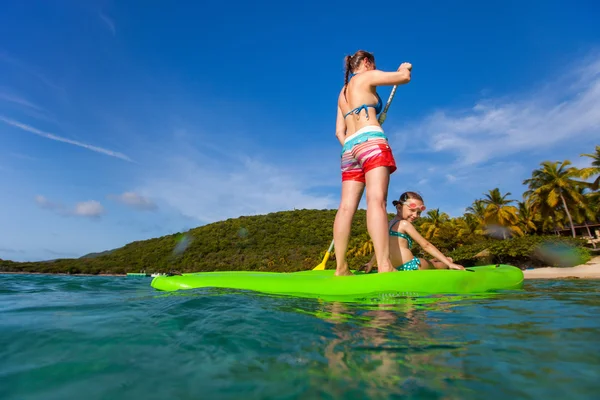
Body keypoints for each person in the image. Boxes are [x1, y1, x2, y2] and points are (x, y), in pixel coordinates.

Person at [333, 50, 412, 276]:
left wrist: (354, 145)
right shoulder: (366, 76)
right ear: (367, 62)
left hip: (349, 148)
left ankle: (341, 268)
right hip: (371, 140)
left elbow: (339, 131)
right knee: (377, 202)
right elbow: (403, 78)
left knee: (346, 208)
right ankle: (385, 265)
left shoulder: (343, 92)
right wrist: (405, 67)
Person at [361, 191, 465, 272]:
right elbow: (425, 245)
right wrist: (449, 264)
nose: (415, 215)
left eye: (419, 212)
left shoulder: (387, 225)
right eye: (412, 210)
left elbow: (382, 248)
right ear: (399, 207)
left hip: (396, 267)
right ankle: (448, 261)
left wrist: (371, 263)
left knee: (433, 264)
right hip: (411, 266)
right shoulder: (405, 224)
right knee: (437, 265)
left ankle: (445, 261)